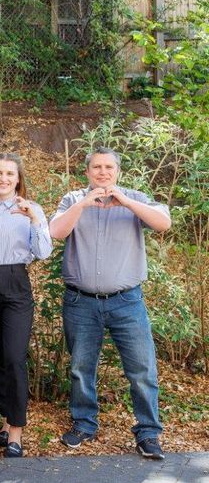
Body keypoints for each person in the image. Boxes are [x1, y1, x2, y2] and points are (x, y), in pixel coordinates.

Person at [48, 147, 170, 460]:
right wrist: (84, 205)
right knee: (80, 368)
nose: (103, 173)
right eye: (96, 168)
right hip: (81, 302)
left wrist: (126, 202)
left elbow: (163, 223)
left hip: (126, 302)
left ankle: (148, 434)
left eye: (108, 167)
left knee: (142, 369)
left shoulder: (135, 198)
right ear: (87, 172)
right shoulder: (73, 199)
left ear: (117, 171)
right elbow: (55, 233)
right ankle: (84, 424)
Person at [0, 154, 51, 458]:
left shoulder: (31, 209)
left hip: (16, 282)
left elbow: (42, 252)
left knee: (15, 357)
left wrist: (34, 219)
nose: (3, 179)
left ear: (18, 179)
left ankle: (16, 430)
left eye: (9, 174)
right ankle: (6, 418)